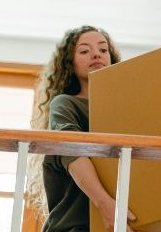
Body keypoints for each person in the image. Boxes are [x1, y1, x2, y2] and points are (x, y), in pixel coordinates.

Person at [26, 25, 137, 232]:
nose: (96, 54)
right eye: (85, 51)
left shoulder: (127, 111)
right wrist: (107, 206)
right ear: (70, 63)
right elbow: (73, 151)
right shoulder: (65, 104)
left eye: (103, 50)